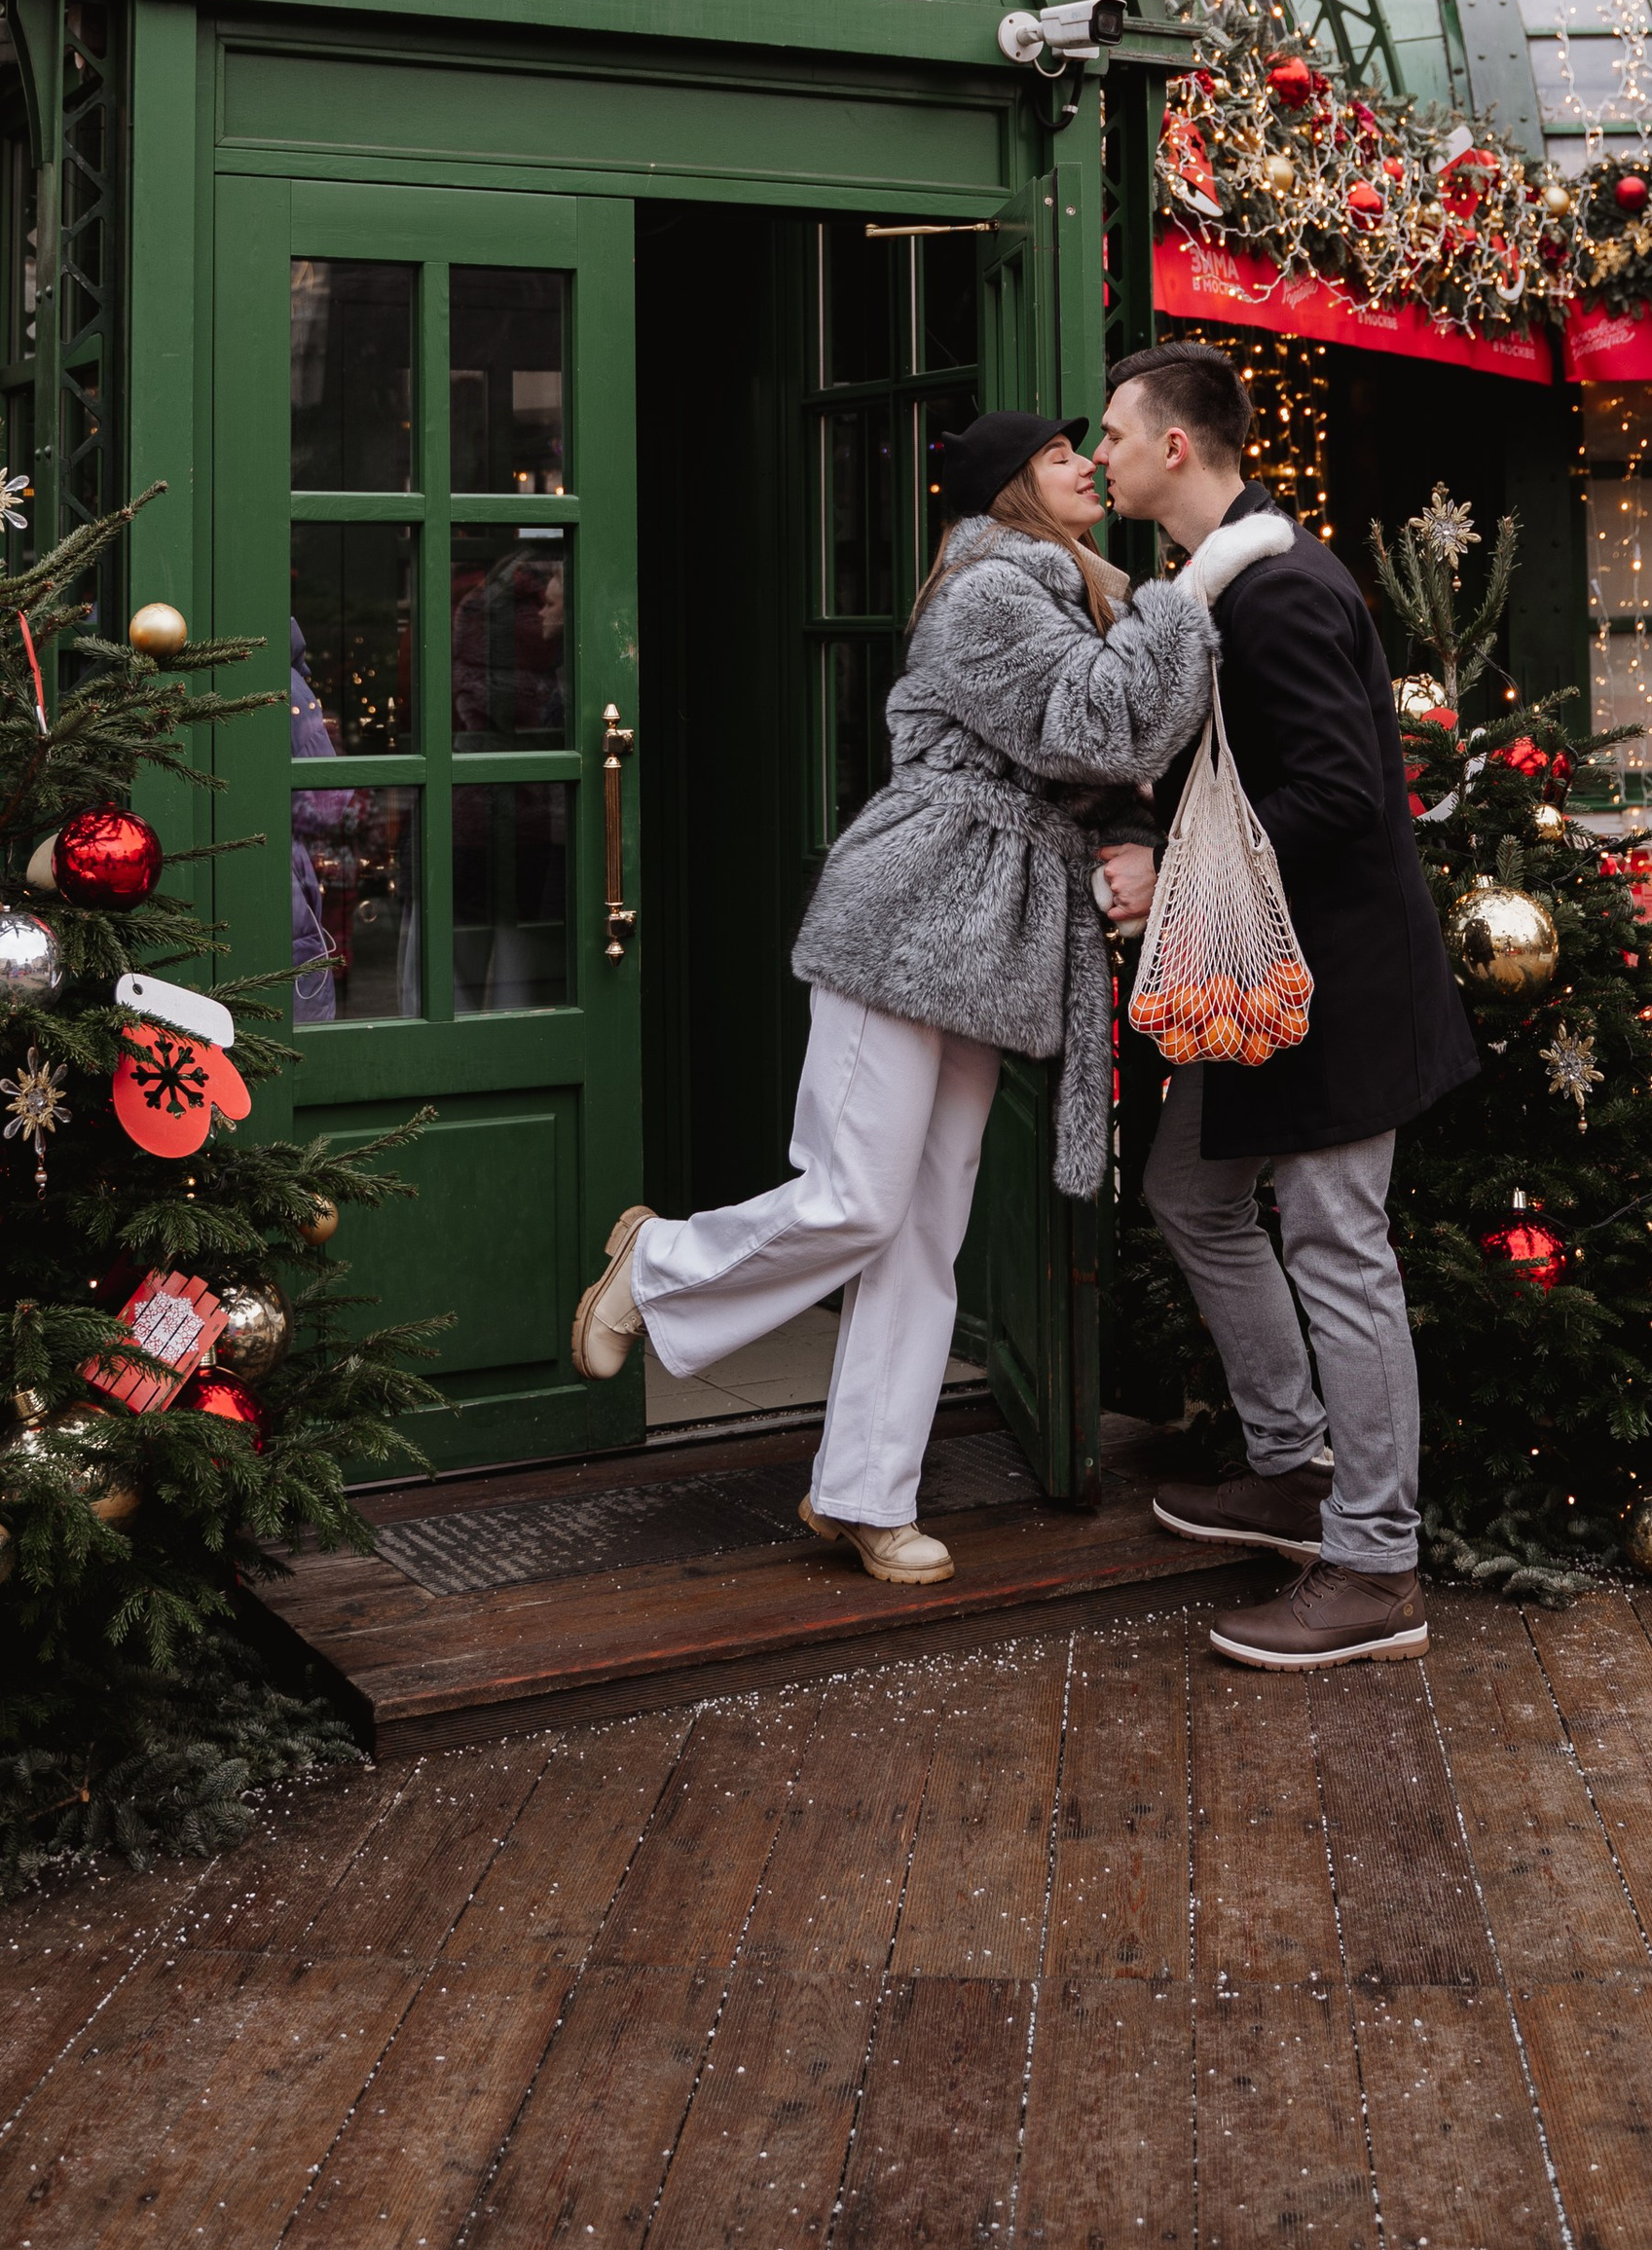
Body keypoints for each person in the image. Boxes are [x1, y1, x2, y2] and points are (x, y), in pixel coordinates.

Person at [568, 407, 1287, 1583]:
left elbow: (1125, 745)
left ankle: (864, 1492)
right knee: (856, 1198)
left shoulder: (1077, 591)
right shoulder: (988, 588)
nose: (1088, 466)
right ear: (1010, 484)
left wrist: (1123, 832)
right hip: (908, 916)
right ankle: (655, 1266)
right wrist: (1199, 580)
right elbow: (1096, 722)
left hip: (997, 939)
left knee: (922, 1227)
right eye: (1062, 455)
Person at [1094, 342, 1478, 1671]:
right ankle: (1292, 1469)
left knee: (1339, 1246)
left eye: (1116, 434)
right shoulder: (1217, 586)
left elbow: (1340, 798)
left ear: (1178, 450)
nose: (1101, 456)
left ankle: (1377, 1568)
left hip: (1335, 986)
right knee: (1193, 1196)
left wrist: (1171, 865)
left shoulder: (1282, 592)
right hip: (1257, 977)